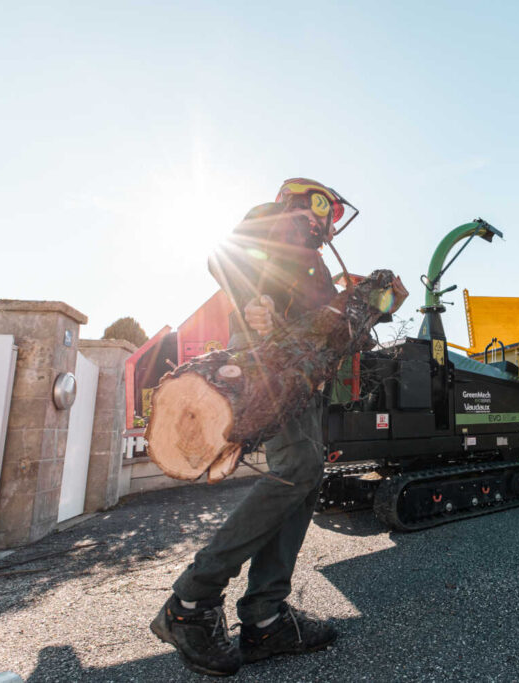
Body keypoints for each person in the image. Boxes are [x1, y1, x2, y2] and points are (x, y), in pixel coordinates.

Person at [150, 178, 349, 677]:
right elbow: (225, 257)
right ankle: (191, 603)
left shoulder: (313, 260)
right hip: (268, 373)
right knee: (298, 466)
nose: (329, 222)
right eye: (328, 209)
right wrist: (251, 299)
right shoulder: (277, 221)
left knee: (305, 475)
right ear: (309, 201)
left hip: (301, 382)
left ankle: (266, 616)